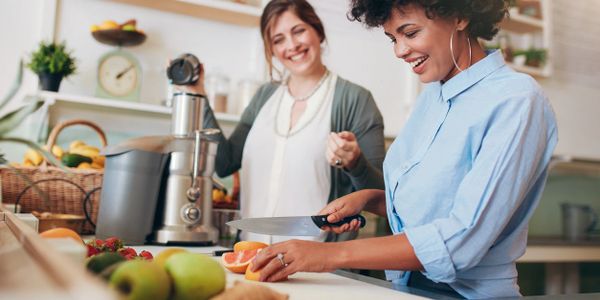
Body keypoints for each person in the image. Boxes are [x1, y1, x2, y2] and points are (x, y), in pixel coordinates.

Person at [251, 0, 558, 298]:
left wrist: (329, 254)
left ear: (459, 16)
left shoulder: (516, 100)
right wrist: (370, 199)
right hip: (408, 287)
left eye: (410, 33)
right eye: (392, 38)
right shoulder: (431, 98)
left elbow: (460, 238)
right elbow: (432, 208)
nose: (399, 50)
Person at [178, 0, 385, 244]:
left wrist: (355, 162)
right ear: (272, 50)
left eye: (298, 31)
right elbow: (224, 162)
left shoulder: (355, 100)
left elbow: (380, 194)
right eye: (278, 39)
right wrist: (198, 94)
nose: (292, 45)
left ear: (317, 31)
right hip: (252, 254)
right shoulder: (265, 96)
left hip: (318, 263)